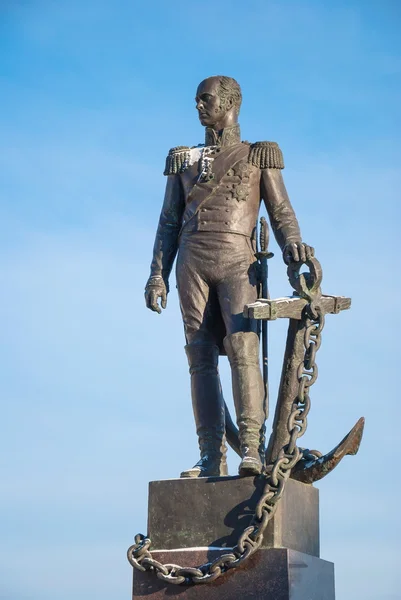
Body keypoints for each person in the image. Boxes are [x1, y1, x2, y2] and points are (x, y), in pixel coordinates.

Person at [144, 76, 314, 478]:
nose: (198, 107)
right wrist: (157, 275)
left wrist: (294, 246)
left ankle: (251, 449)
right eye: (197, 101)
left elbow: (282, 212)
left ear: (230, 102)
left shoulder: (259, 155)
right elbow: (168, 222)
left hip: (239, 259)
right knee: (199, 358)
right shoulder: (183, 161)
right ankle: (209, 456)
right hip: (192, 261)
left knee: (243, 349)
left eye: (206, 99)